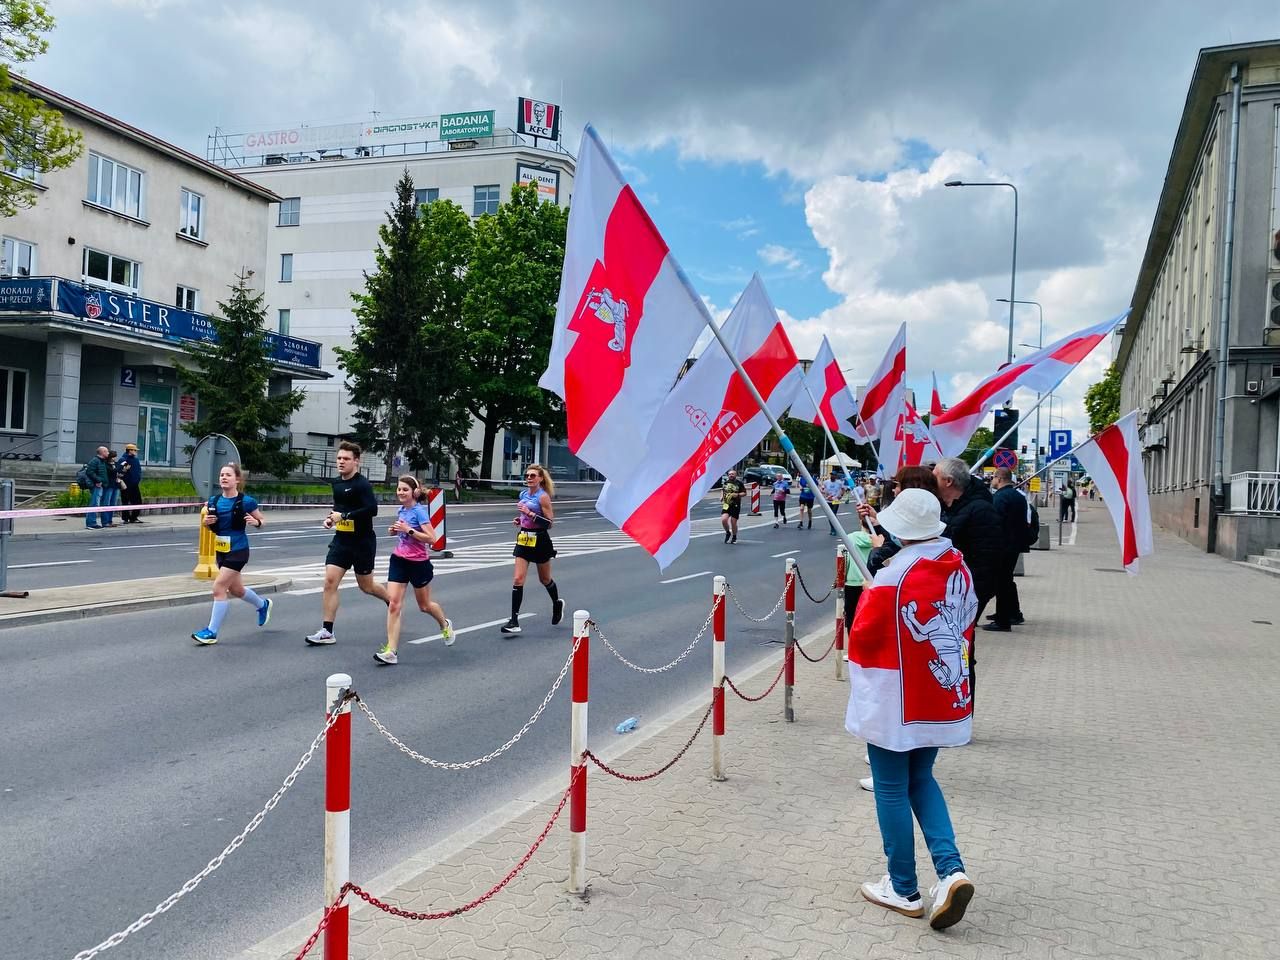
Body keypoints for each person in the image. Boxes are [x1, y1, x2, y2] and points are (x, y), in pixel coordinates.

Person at [846, 488, 975, 930]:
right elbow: (969, 612)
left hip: (895, 697)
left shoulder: (892, 576)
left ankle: (903, 886)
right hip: (938, 691)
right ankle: (952, 870)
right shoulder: (956, 564)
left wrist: (868, 594)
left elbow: (861, 636)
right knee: (922, 778)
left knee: (890, 787)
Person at [305, 441, 390, 646]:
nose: (341, 462)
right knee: (330, 582)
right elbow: (339, 507)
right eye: (339, 458)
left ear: (356, 462)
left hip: (362, 542)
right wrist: (330, 518)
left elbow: (372, 510)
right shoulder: (336, 483)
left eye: (346, 459)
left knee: (366, 586)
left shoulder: (362, 484)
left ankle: (392, 602)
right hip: (342, 540)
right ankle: (327, 631)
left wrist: (343, 515)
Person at [375, 475, 453, 665]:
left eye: (404, 490)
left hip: (418, 563)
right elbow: (402, 529)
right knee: (393, 604)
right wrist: (395, 530)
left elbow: (432, 539)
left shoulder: (420, 512)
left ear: (414, 493)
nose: (400, 492)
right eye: (399, 489)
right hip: (399, 560)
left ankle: (444, 624)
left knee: (424, 606)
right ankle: (391, 651)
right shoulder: (401, 509)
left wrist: (409, 530)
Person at [192, 463, 271, 645]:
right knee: (236, 590)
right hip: (221, 550)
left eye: (228, 475)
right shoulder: (214, 501)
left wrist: (256, 522)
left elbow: (263, 521)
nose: (224, 478)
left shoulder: (246, 501)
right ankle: (263, 605)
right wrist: (206, 522)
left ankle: (211, 632)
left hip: (238, 550)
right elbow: (208, 524)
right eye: (221, 475)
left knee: (218, 588)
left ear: (237, 479)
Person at [502, 463, 564, 634]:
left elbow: (549, 523)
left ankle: (557, 603)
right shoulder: (523, 494)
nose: (529, 478)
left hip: (540, 540)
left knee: (544, 579)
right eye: (527, 475)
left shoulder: (543, 497)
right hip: (524, 538)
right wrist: (520, 519)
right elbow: (525, 516)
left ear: (540, 478)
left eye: (533, 476)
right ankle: (514, 621)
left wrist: (529, 514)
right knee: (517, 579)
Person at [987, 467, 1028, 631]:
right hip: (1015, 544)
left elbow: (995, 522)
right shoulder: (1019, 496)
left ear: (999, 478)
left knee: (1001, 583)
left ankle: (1003, 620)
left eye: (993, 478)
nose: (991, 481)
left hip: (1002, 545)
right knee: (1007, 581)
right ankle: (1012, 613)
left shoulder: (1000, 497)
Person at [83, 446, 110, 529]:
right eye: (107, 451)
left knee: (96, 503)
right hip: (96, 486)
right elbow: (89, 471)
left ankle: (93, 522)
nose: (108, 453)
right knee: (94, 503)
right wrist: (98, 480)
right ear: (102, 452)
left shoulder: (102, 461)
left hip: (101, 485)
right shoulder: (95, 461)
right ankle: (91, 523)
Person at [118, 442, 144, 523]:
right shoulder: (123, 459)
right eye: (134, 450)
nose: (136, 452)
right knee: (125, 501)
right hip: (126, 484)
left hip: (135, 484)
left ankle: (134, 517)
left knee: (137, 501)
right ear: (130, 450)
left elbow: (138, 470)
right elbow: (120, 470)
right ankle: (125, 518)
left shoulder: (136, 460)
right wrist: (124, 469)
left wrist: (138, 478)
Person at [720, 469, 745, 543]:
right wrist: (721, 496)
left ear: (735, 475)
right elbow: (723, 490)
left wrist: (737, 494)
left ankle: (734, 536)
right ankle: (728, 532)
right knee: (724, 520)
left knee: (733, 522)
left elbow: (744, 493)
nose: (731, 475)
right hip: (726, 504)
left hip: (735, 504)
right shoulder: (726, 482)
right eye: (730, 474)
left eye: (732, 474)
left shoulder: (739, 483)